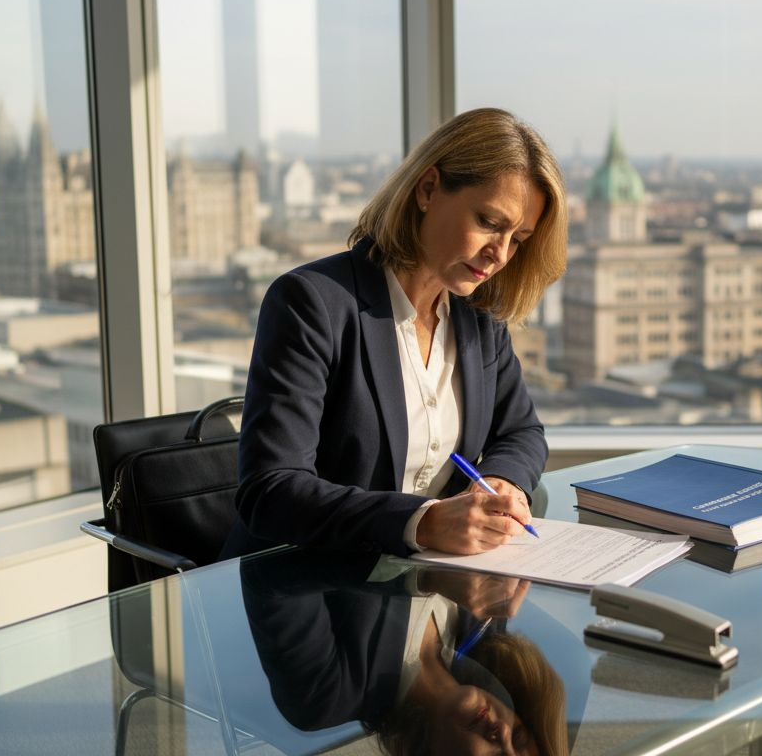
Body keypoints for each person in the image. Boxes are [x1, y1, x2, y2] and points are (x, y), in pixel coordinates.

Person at [222, 108, 567, 559]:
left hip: (430, 584)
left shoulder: (479, 316)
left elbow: (522, 432)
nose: (500, 254)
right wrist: (420, 523)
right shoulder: (311, 304)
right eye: (488, 222)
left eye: (518, 238)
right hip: (307, 591)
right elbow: (271, 491)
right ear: (428, 189)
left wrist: (502, 481)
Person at [239, 550, 568, 755]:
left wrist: (424, 578)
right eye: (521, 737)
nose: (502, 733)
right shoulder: (484, 632)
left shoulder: (328, 695)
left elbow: (268, 570)